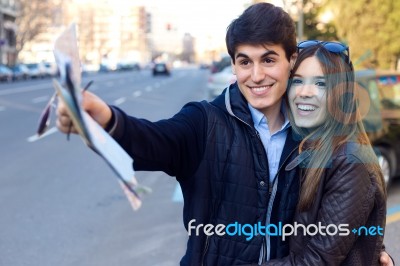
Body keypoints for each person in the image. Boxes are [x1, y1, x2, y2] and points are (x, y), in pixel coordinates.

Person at [55, 3, 394, 266]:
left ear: (291, 60)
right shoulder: (205, 122)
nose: (257, 75)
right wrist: (104, 119)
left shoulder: (309, 136)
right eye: (245, 62)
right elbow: (152, 141)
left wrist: (370, 249)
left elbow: (336, 220)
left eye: (269, 60)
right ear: (233, 65)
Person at [259, 41, 387, 265]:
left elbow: (316, 261)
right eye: (297, 80)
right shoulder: (306, 146)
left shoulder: (350, 161)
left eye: (321, 83)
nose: (304, 92)